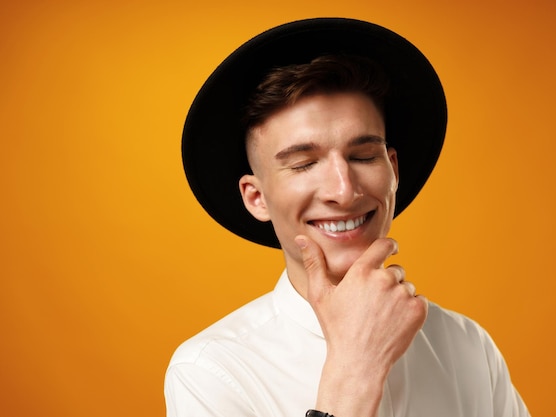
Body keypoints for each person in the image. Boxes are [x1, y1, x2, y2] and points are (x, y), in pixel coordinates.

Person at [165, 18, 530, 417]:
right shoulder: (210, 372)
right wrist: (355, 372)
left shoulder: (468, 346)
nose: (344, 190)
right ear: (257, 198)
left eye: (363, 156)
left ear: (393, 170)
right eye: (304, 164)